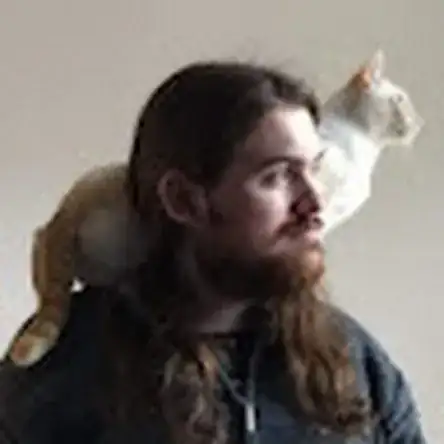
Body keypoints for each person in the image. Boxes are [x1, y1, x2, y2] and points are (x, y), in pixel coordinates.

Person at [0, 61, 427, 444]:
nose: (315, 203)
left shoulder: (352, 359)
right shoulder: (67, 368)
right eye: (277, 176)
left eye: (313, 168)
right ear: (184, 200)